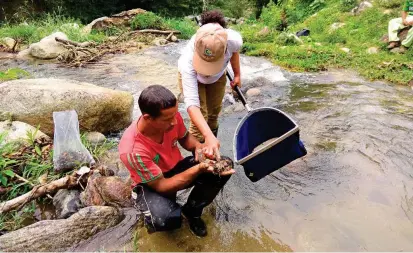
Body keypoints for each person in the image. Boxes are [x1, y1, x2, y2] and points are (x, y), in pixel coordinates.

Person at [118, 85, 235, 237]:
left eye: (175, 115)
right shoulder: (132, 150)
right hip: (152, 184)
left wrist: (200, 149)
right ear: (148, 118)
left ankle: (192, 212)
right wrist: (199, 168)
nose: (174, 121)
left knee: (223, 167)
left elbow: (185, 138)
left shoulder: (171, 117)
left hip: (175, 167)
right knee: (164, 219)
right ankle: (148, 210)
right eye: (167, 119)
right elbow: (162, 185)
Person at [178, 10, 243, 159]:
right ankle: (199, 158)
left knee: (213, 115)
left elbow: (235, 53)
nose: (207, 71)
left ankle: (212, 149)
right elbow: (192, 105)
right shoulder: (187, 63)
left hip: (218, 78)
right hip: (195, 78)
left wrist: (238, 74)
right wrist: (206, 135)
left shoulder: (233, 40)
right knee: (200, 120)